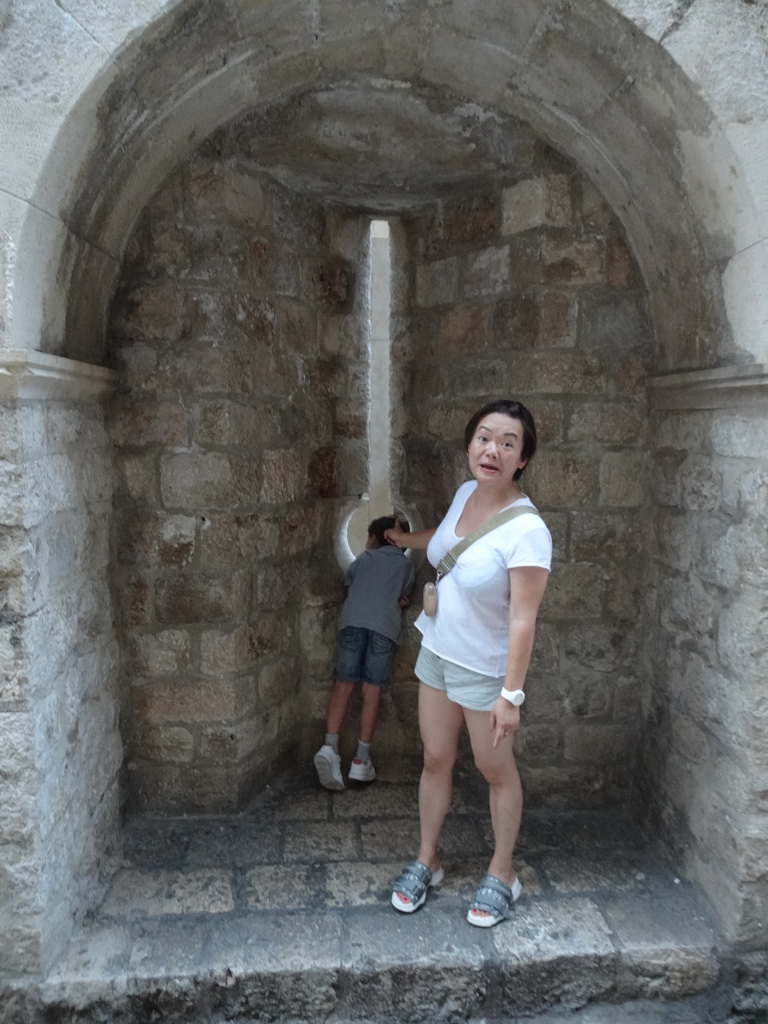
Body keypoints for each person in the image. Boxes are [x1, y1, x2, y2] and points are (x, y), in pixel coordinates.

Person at [385, 399, 551, 927]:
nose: (493, 450)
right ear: (469, 444)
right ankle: (427, 858)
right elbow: (444, 542)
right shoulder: (464, 494)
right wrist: (401, 540)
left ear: (522, 458)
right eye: (484, 437)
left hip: (484, 671)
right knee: (435, 759)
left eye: (508, 443)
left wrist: (511, 695)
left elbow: (524, 620)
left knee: (493, 769)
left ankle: (502, 871)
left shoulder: (528, 530)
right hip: (437, 653)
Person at [314, 515, 415, 791]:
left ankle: (329, 747)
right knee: (371, 692)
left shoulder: (365, 560)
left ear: (374, 539)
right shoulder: (405, 565)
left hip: (352, 623)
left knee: (343, 684)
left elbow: (347, 584)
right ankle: (361, 760)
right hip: (384, 629)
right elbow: (404, 596)